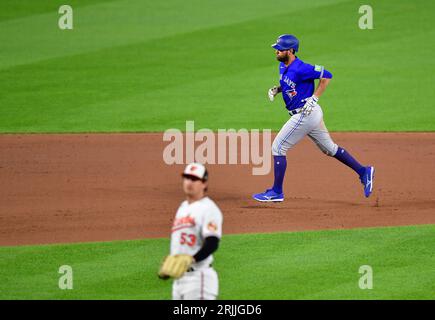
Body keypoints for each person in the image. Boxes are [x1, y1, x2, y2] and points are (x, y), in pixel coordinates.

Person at [253, 34, 375, 202]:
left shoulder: (302, 68)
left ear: (290, 51)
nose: (276, 52)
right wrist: (278, 90)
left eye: (280, 49)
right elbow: (291, 84)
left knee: (278, 147)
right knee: (329, 149)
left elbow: (327, 76)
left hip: (304, 114)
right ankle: (364, 171)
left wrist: (315, 97)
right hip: (310, 115)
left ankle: (277, 192)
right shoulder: (283, 66)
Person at [158, 163, 223, 300]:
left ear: (204, 183)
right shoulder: (182, 208)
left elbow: (212, 243)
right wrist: (172, 262)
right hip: (179, 280)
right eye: (187, 178)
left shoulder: (209, 209)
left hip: (199, 279)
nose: (189, 182)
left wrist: (192, 259)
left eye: (194, 179)